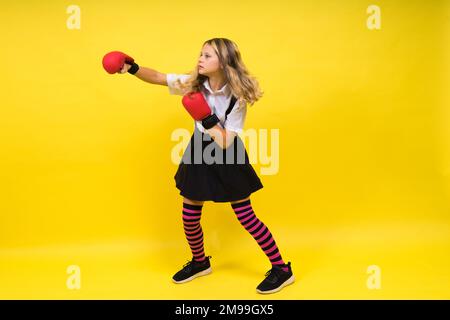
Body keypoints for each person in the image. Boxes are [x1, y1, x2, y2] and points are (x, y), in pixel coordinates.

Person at [109, 38, 295, 294]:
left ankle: (282, 270)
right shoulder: (194, 83)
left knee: (246, 217)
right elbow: (159, 77)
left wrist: (205, 117)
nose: (200, 59)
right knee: (189, 216)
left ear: (224, 62)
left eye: (207, 56)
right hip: (198, 150)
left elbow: (227, 141)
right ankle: (199, 262)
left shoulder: (236, 96)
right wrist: (132, 68)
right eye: (201, 54)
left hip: (227, 154)